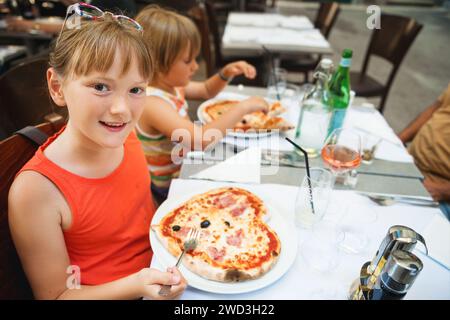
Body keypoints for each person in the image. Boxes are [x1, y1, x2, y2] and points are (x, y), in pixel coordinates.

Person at [8, 4, 186, 299]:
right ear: (57, 87)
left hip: (165, 266)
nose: (122, 110)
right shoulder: (36, 191)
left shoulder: (124, 136)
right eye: (101, 86)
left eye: (136, 90)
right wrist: (137, 285)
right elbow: (56, 295)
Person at [135, 5, 269, 203]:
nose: (196, 67)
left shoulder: (172, 86)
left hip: (187, 165)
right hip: (168, 188)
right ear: (157, 63)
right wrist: (242, 108)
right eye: (188, 61)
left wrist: (225, 74)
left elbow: (206, 90)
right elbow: (202, 139)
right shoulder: (152, 103)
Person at [398, 83, 450, 218]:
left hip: (438, 188)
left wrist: (444, 190)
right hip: (411, 164)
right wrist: (397, 140)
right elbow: (437, 107)